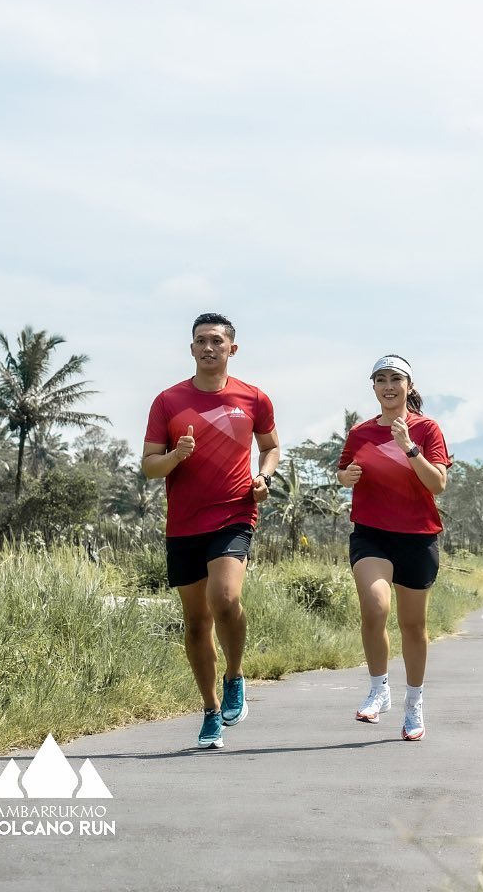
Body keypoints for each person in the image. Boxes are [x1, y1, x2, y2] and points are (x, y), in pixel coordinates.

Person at [142, 313, 280, 749]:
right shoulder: (168, 401)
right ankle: (209, 709)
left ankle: (235, 674)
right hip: (184, 524)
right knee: (196, 622)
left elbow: (271, 447)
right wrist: (176, 457)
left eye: (216, 341)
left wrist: (265, 478)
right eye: (200, 341)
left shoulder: (254, 398)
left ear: (231, 349)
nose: (208, 347)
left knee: (225, 599)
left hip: (234, 514)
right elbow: (149, 466)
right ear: (191, 349)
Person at [337, 354, 451, 741]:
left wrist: (409, 447)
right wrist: (345, 475)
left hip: (417, 537)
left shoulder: (427, 430)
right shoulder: (360, 432)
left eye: (395, 379)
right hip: (371, 533)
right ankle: (378, 687)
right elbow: (343, 470)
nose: (388, 386)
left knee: (413, 626)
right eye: (381, 379)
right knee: (375, 605)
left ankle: (414, 703)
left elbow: (437, 484)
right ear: (373, 387)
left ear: (408, 386)